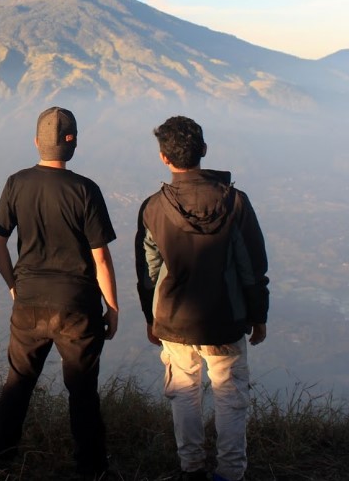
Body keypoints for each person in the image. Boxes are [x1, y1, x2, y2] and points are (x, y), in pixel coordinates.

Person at [0, 106, 120, 479]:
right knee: (82, 392)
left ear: (36, 142)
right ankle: (91, 468)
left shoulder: (16, 183)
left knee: (18, 384)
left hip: (27, 303)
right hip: (77, 307)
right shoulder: (85, 190)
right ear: (72, 142)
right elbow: (101, 259)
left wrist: (14, 285)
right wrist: (113, 307)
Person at [136, 116, 269, 481]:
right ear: (204, 152)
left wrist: (152, 318)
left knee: (183, 391)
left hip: (173, 319)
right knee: (229, 395)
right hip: (225, 319)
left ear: (164, 157)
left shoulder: (153, 208)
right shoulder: (235, 203)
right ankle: (229, 471)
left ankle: (190, 466)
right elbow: (251, 268)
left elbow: (148, 271)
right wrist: (258, 315)